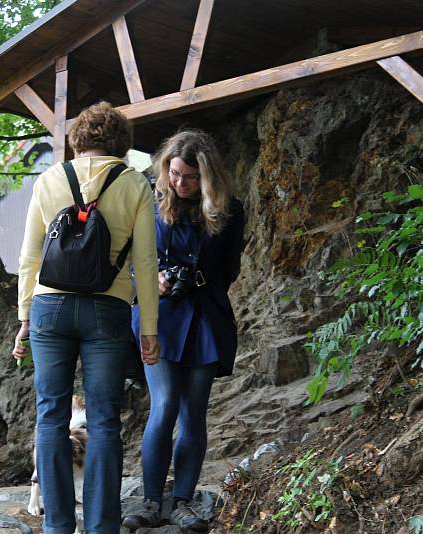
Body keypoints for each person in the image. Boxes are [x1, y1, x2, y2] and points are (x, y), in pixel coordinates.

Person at [12, 101, 160, 534]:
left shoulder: (49, 179)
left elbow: (30, 255)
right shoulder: (135, 184)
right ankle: (101, 527)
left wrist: (23, 317)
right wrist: (147, 327)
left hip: (49, 308)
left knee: (51, 417)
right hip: (107, 309)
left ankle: (57, 526)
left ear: (77, 140)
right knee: (104, 420)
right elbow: (146, 263)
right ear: (122, 143)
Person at [122, 129, 245, 532]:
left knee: (193, 414)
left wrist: (196, 277)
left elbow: (229, 271)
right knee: (165, 403)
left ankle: (184, 502)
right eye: (175, 173)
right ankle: (150, 500)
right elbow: (129, 261)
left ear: (206, 177)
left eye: (190, 177)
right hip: (158, 317)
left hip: (206, 317)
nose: (180, 183)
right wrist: (152, 277)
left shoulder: (229, 211)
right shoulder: (149, 202)